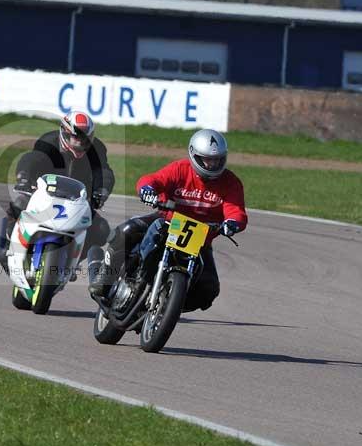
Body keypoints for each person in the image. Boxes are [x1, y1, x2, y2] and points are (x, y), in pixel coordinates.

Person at [87, 128, 247, 312]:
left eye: (217, 159)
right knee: (127, 230)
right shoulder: (180, 169)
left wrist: (233, 223)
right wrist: (147, 189)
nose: (213, 164)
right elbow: (153, 179)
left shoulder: (231, 182)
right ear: (194, 155)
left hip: (201, 239)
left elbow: (236, 210)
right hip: (167, 221)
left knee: (209, 289)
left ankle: (167, 307)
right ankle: (105, 277)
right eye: (207, 159)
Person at [0, 110, 115, 266]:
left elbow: (103, 172)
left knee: (102, 229)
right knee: (20, 203)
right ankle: (5, 248)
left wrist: (101, 191)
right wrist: (24, 177)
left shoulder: (97, 148)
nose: (79, 143)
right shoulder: (49, 141)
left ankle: (73, 261)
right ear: (64, 132)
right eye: (75, 138)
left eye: (85, 140)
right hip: (43, 194)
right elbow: (32, 159)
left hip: (77, 200)